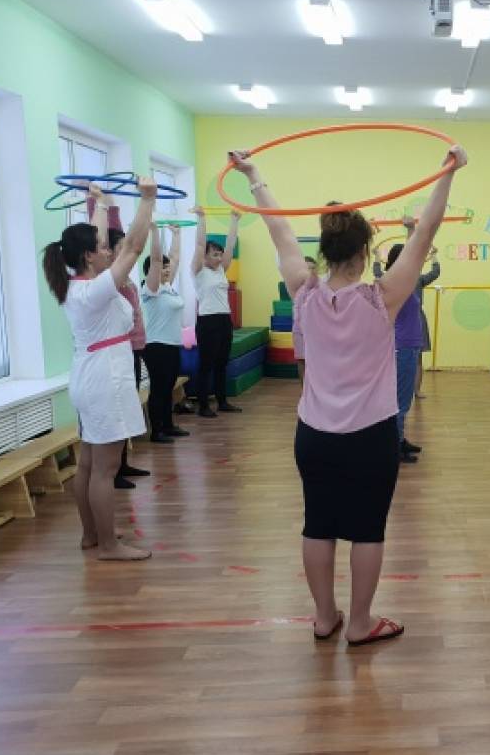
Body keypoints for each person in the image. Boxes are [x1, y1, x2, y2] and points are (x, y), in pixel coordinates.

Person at [226, 143, 467, 646]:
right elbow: (425, 232)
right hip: (370, 437)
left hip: (314, 436)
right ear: (363, 253)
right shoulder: (383, 298)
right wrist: (448, 171)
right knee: (367, 529)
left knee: (317, 524)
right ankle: (358, 622)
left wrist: (253, 174)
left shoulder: (304, 291)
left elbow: (278, 230)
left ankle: (323, 618)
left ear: (326, 253)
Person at [42, 180, 157, 561]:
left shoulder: (79, 285)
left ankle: (93, 535)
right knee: (105, 468)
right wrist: (147, 199)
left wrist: (100, 204)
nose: (109, 249)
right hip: (106, 379)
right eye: (103, 247)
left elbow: (102, 240)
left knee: (89, 463)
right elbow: (134, 247)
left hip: (90, 376)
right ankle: (108, 545)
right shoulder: (95, 290)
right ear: (89, 257)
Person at [86, 192, 150, 489]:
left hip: (131, 350)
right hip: (114, 358)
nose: (125, 252)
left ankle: (122, 463)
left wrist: (109, 204)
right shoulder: (106, 281)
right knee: (116, 416)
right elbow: (104, 239)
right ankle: (113, 470)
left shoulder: (123, 278)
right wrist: (97, 204)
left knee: (126, 410)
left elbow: (121, 239)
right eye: (117, 248)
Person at [373, 219, 441, 463]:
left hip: (408, 346)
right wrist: (412, 232)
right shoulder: (396, 283)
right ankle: (395, 446)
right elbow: (414, 254)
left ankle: (399, 440)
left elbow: (415, 256)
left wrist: (411, 232)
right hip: (401, 348)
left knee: (403, 399)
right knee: (400, 401)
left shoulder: (405, 281)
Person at [141, 223, 189, 444]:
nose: (167, 270)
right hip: (156, 346)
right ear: (151, 271)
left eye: (168, 267)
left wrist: (176, 234)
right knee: (159, 389)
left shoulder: (168, 287)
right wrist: (154, 232)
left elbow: (175, 258)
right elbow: (156, 259)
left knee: (168, 387)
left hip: (171, 344)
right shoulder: (151, 289)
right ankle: (156, 431)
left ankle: (168, 425)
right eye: (163, 267)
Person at [191, 206, 241, 417]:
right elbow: (199, 244)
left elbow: (230, 245)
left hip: (224, 320)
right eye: (215, 254)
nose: (220, 258)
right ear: (204, 257)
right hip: (207, 321)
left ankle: (222, 401)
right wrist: (201, 218)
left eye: (220, 255)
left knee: (222, 363)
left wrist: (234, 220)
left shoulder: (220, 270)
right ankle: (203, 405)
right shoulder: (198, 270)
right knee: (206, 365)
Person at [415, 246, 441, 399]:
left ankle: (415, 390)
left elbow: (435, 273)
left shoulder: (417, 279)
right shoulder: (414, 279)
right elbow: (435, 272)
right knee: (414, 359)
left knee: (416, 358)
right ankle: (414, 391)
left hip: (413, 320)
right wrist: (434, 256)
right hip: (408, 320)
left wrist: (434, 255)